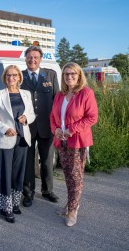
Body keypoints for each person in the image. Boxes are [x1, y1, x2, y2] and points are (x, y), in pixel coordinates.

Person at [50, 62, 98, 227]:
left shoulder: (86, 93)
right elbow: (52, 116)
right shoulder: (60, 95)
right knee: (68, 175)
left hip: (77, 141)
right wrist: (55, 129)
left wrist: (72, 129)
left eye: (73, 74)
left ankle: (73, 209)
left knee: (76, 176)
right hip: (61, 141)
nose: (69, 77)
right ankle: (71, 202)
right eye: (66, 74)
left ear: (79, 76)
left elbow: (92, 117)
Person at [0, 65, 35, 223]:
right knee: (6, 173)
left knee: (18, 173)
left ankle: (15, 203)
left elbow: (31, 113)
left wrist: (26, 118)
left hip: (23, 138)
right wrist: (5, 128)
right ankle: (5, 208)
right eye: (8, 75)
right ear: (4, 77)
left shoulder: (26, 94)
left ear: (19, 77)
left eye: (15, 75)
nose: (11, 78)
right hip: (7, 139)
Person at [20, 45, 60, 207]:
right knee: (28, 162)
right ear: (26, 59)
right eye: (30, 57)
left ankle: (47, 190)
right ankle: (28, 193)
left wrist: (57, 126)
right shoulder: (20, 76)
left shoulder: (50, 75)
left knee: (46, 161)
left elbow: (57, 101)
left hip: (47, 126)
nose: (32, 60)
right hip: (27, 127)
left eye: (35, 57)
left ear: (40, 59)